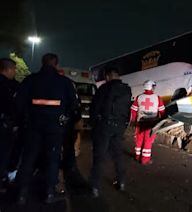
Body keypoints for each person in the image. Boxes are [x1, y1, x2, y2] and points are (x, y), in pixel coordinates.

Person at [15, 53, 78, 204]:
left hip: (33, 126)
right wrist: (65, 119)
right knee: (52, 159)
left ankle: (21, 194)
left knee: (29, 157)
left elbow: (19, 103)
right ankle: (49, 193)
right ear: (56, 65)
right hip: (54, 128)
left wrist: (23, 121)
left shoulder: (30, 80)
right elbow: (74, 106)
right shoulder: (65, 82)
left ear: (42, 63)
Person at [89, 67, 132, 198]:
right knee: (118, 155)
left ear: (108, 76)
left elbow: (95, 108)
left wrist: (93, 124)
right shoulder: (126, 89)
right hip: (119, 127)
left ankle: (95, 187)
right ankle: (122, 182)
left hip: (104, 126)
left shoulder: (104, 88)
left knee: (99, 156)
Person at [131, 80, 165, 165]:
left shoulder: (139, 97)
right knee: (148, 141)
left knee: (139, 140)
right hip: (151, 124)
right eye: (153, 86)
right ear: (151, 87)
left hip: (140, 123)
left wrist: (134, 121)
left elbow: (133, 111)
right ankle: (145, 159)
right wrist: (163, 120)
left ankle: (137, 156)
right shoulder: (157, 97)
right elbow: (162, 111)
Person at [0, 58, 18, 193]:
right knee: (4, 153)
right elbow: (12, 106)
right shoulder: (9, 86)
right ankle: (3, 180)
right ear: (8, 69)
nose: (15, 72)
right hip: (4, 124)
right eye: (14, 69)